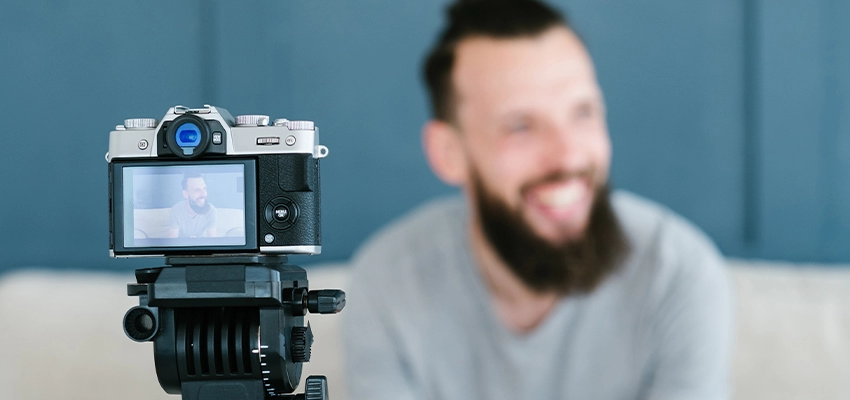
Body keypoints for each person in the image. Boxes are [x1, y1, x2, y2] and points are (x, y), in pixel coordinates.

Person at [342, 1, 733, 400]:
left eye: (583, 112)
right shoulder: (389, 285)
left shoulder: (676, 275)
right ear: (449, 153)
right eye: (520, 126)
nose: (568, 156)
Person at [167, 173, 217, 238]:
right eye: (197, 190)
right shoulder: (175, 211)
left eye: (204, 188)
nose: (204, 194)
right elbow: (172, 242)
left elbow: (212, 242)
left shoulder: (211, 211)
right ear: (185, 194)